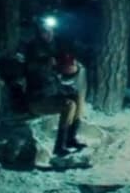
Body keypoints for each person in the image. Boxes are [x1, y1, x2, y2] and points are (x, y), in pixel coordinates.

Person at [22, 14, 88, 157]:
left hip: (53, 92)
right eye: (44, 31)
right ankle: (59, 147)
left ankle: (71, 139)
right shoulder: (33, 48)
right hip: (38, 98)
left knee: (77, 97)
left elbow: (62, 73)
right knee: (69, 105)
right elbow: (29, 67)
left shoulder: (55, 47)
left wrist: (72, 70)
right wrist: (45, 63)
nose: (48, 34)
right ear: (39, 33)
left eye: (50, 30)